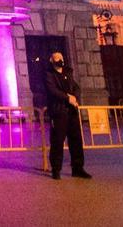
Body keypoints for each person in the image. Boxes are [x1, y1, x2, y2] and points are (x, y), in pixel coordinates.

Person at [44, 51, 91, 180]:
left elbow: (76, 87)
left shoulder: (68, 72)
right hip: (58, 112)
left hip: (71, 112)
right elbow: (52, 90)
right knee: (57, 141)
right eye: (57, 58)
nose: (60, 60)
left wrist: (75, 97)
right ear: (51, 61)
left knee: (76, 140)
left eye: (61, 58)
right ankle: (56, 169)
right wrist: (67, 98)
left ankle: (78, 168)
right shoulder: (48, 75)